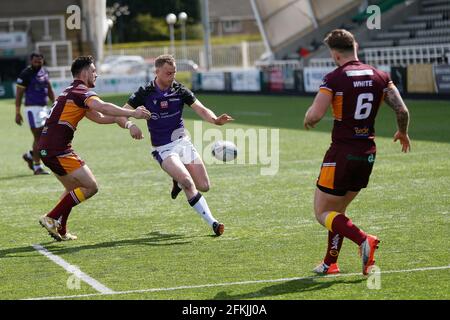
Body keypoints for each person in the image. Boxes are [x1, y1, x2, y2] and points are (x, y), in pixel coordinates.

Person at [303, 29, 411, 275]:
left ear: (334, 54)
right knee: (338, 211)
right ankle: (330, 264)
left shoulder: (334, 78)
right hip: (367, 153)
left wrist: (308, 118)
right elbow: (402, 111)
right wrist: (402, 132)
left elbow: (315, 115)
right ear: (356, 46)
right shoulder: (380, 76)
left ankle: (364, 239)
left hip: (341, 153)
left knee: (323, 212)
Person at [37, 56, 151, 241]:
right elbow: (103, 107)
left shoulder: (70, 92)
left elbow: (99, 116)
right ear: (84, 73)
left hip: (47, 147)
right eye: (93, 71)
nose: (96, 74)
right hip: (58, 149)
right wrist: (133, 113)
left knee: (72, 189)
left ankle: (61, 228)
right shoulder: (81, 91)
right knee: (91, 186)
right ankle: (50, 217)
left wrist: (125, 123)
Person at [125, 54, 234, 236]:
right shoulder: (144, 92)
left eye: (174, 73)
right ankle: (213, 223)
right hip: (163, 148)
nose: (172, 76)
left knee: (204, 186)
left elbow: (200, 108)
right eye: (168, 73)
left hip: (183, 142)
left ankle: (175, 178)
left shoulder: (179, 90)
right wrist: (130, 124)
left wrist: (215, 120)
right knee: (187, 182)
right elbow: (121, 113)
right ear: (157, 71)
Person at [15, 52, 55, 175]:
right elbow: (19, 94)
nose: (37, 63)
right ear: (31, 61)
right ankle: (37, 167)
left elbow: (49, 89)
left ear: (43, 61)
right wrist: (17, 112)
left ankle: (30, 155)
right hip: (32, 109)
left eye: (40, 61)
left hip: (44, 108)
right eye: (35, 61)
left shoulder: (45, 72)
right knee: (39, 137)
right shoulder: (25, 74)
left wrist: (55, 102)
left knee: (45, 136)